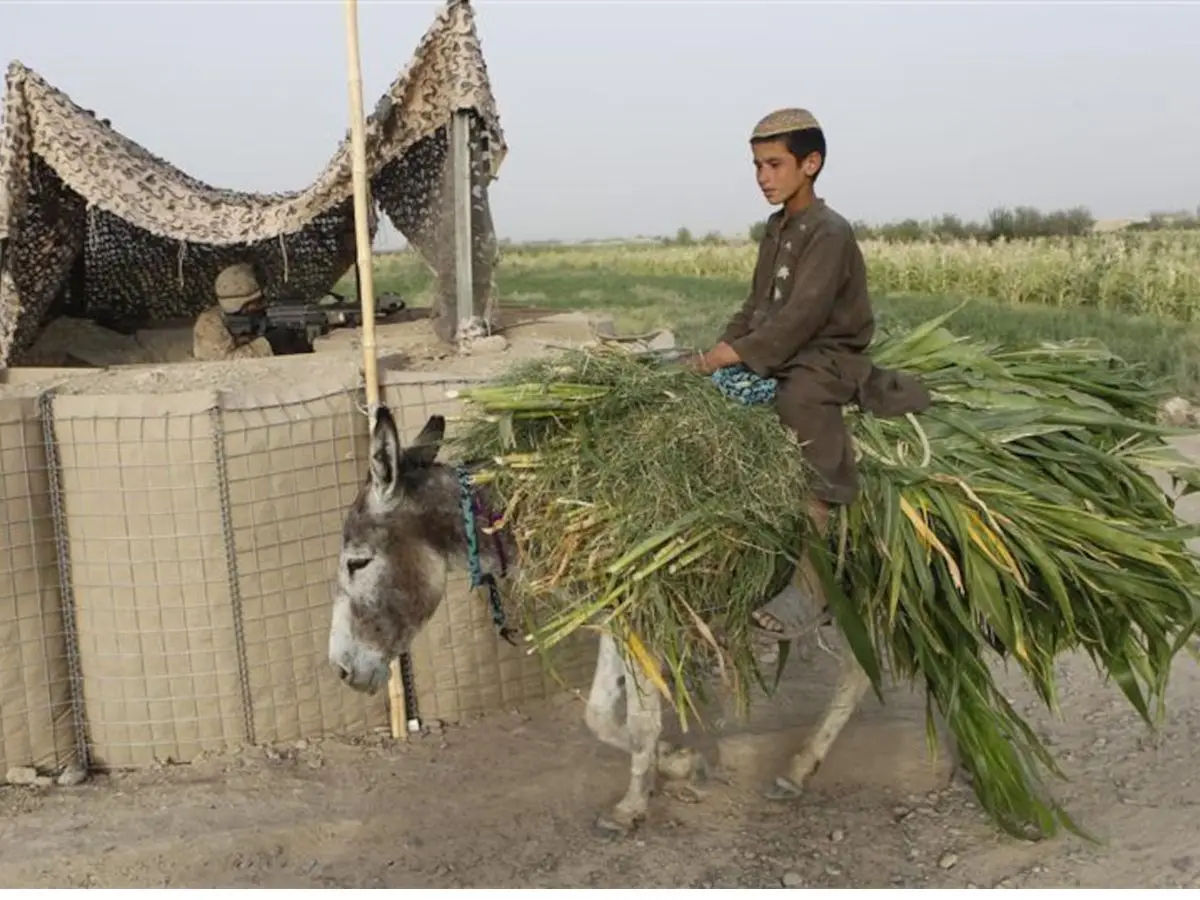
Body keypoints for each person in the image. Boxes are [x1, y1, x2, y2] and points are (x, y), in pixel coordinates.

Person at [686, 107, 930, 640]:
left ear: (810, 163)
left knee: (799, 401)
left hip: (826, 352)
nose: (763, 176)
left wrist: (732, 355)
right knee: (712, 392)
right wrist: (718, 350)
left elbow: (802, 317)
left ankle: (815, 580)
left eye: (774, 164)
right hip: (787, 346)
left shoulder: (829, 231)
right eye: (757, 165)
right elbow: (756, 307)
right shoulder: (776, 228)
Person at [192, 262, 274, 362]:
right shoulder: (209, 323)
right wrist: (265, 344)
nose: (262, 304)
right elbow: (222, 366)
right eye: (255, 303)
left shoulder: (264, 314)